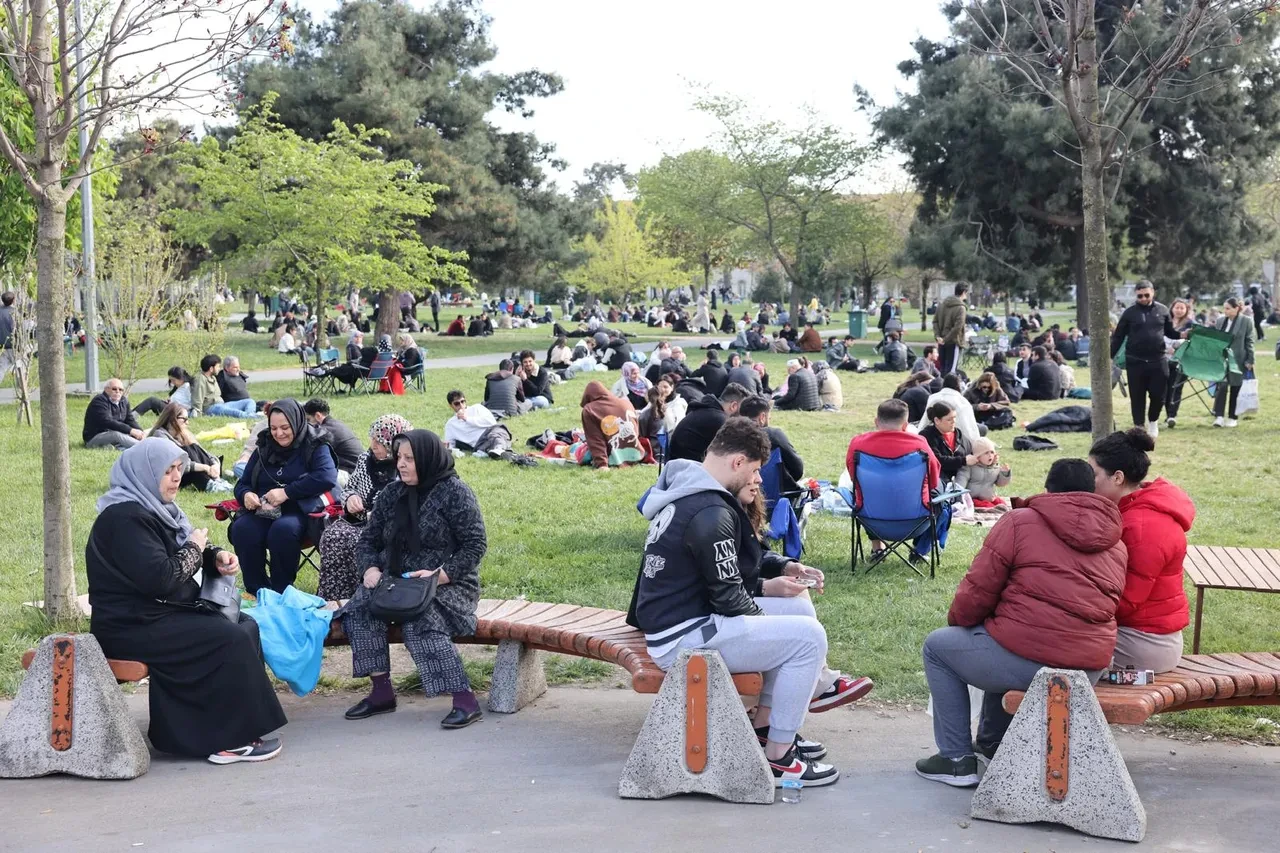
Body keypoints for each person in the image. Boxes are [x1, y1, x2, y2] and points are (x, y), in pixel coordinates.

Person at [628, 418, 852, 787]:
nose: (756, 479)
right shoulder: (710, 511)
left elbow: (728, 581)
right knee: (807, 637)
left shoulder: (687, 487)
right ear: (737, 462)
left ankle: (766, 726)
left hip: (681, 620)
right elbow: (730, 599)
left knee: (796, 610)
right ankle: (780, 759)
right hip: (681, 637)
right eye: (754, 469)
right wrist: (771, 614)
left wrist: (776, 584)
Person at [916, 458, 1126, 786]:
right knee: (997, 637)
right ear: (1091, 491)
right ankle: (993, 743)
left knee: (939, 648)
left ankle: (955, 759)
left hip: (1033, 659)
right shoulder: (1116, 540)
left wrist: (960, 624)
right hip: (1089, 667)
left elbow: (979, 587)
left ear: (1048, 488)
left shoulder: (1019, 522)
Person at [87, 439, 287, 764]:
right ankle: (226, 740)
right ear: (144, 474)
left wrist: (215, 556)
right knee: (228, 637)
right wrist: (195, 547)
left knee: (243, 625)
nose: (176, 477)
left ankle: (218, 730)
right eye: (167, 471)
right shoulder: (123, 519)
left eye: (179, 469)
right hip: (129, 625)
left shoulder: (154, 509)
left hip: (156, 614)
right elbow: (162, 576)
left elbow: (172, 551)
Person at [341, 430, 487, 728]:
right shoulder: (392, 495)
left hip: (447, 582)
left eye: (410, 458)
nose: (402, 465)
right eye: (399, 458)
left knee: (422, 618)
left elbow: (475, 544)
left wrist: (441, 575)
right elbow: (367, 540)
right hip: (395, 580)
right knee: (358, 609)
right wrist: (369, 570)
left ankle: (464, 699)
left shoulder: (454, 492)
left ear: (428, 459)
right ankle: (381, 692)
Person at [1089, 429, 1194, 673]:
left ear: (1117, 477)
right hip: (1142, 635)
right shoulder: (1134, 510)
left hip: (1145, 645)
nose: (1087, 481)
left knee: (1046, 647)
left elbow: (1127, 602)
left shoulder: (1143, 527)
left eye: (1093, 474)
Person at [231, 400, 340, 595]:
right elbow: (243, 483)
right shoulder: (265, 444)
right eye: (273, 428)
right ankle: (257, 590)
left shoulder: (315, 443)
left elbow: (326, 476)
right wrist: (246, 494)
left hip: (298, 509)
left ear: (297, 422)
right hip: (264, 510)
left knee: (283, 530)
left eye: (285, 427)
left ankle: (282, 592)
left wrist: (287, 492)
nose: (279, 433)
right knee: (242, 528)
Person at [317, 414, 412, 601]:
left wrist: (375, 516)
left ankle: (363, 596)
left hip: (387, 526)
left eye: (380, 441)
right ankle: (334, 598)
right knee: (332, 536)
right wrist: (350, 498)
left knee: (358, 542)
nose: (373, 444)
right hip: (357, 521)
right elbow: (349, 487)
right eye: (373, 438)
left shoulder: (405, 467)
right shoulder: (365, 460)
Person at [845, 399, 948, 565]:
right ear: (906, 424)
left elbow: (853, 478)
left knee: (868, 490)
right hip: (917, 519)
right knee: (943, 496)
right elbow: (934, 481)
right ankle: (920, 550)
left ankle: (877, 548)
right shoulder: (919, 445)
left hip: (870, 517)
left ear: (876, 422)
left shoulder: (858, 444)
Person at [1110, 280, 1181, 437]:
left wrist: (1182, 335)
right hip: (1135, 361)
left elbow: (1170, 332)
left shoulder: (1162, 310)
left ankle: (1153, 421)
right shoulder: (1129, 313)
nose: (1143, 299)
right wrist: (1110, 356)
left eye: (1146, 295)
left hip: (1158, 360)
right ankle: (1139, 427)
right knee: (1137, 396)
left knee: (1158, 395)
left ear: (1153, 293)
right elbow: (1118, 337)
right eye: (1140, 296)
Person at [149, 403, 232, 492]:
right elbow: (176, 462)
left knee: (194, 447)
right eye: (184, 419)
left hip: (185, 472)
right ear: (173, 419)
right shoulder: (160, 436)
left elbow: (204, 453)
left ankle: (215, 480)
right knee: (188, 450)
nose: (187, 423)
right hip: (170, 474)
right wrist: (204, 467)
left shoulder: (184, 434)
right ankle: (209, 484)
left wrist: (215, 465)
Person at [666, 383, 752, 463]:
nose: (743, 415)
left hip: (679, 466)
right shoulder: (719, 420)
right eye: (743, 410)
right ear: (733, 406)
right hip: (687, 471)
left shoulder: (707, 410)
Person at [739, 395, 804, 495]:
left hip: (740, 494)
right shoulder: (774, 436)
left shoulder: (732, 435)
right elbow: (797, 469)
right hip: (776, 495)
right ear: (762, 417)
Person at [1212, 297, 1256, 428]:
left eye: (1227, 308)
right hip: (1222, 359)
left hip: (1239, 359)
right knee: (1221, 387)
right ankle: (1219, 416)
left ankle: (1232, 417)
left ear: (1236, 308)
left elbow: (1249, 341)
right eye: (1224, 308)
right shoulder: (1220, 321)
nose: (1224, 311)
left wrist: (1250, 359)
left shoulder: (1246, 321)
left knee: (1236, 388)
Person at [579, 381, 644, 468]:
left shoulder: (590, 409)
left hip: (611, 455)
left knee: (577, 450)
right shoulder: (625, 402)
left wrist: (602, 464)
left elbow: (595, 439)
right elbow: (636, 428)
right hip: (636, 453)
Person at [304, 398, 363, 484]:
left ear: (318, 416)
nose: (307, 424)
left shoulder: (325, 431)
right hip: (356, 471)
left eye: (308, 420)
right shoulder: (335, 424)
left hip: (351, 475)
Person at [915, 374, 982, 443]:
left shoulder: (932, 397)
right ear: (958, 385)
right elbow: (969, 427)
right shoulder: (961, 401)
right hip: (955, 439)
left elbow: (924, 422)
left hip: (933, 435)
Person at [919, 401, 974, 484]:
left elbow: (970, 452)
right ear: (937, 420)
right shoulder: (926, 436)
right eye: (949, 419)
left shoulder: (958, 434)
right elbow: (937, 461)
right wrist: (963, 461)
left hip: (961, 478)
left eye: (955, 417)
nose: (954, 421)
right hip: (939, 481)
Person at [83, 379, 147, 449]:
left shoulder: (124, 401)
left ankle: (111, 446)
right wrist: (130, 430)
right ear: (106, 389)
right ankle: (143, 447)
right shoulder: (99, 401)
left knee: (148, 431)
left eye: (121, 390)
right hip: (94, 437)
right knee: (116, 434)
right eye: (114, 389)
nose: (117, 391)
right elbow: (108, 422)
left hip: (115, 433)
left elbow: (130, 420)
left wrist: (140, 432)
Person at [190, 354, 259, 419]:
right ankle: (254, 416)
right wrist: (198, 413)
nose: (219, 368)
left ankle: (250, 415)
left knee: (250, 401)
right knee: (235, 413)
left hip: (222, 405)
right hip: (210, 408)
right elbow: (197, 398)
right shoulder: (200, 379)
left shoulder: (213, 378)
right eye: (218, 366)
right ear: (211, 368)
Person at [1163, 299, 1196, 427]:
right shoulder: (1166, 322)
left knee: (1176, 388)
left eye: (1182, 308)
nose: (1179, 310)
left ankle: (1172, 415)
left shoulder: (1190, 324)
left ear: (1186, 310)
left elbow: (1190, 342)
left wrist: (1177, 349)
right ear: (1172, 308)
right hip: (1163, 359)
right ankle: (1167, 414)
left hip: (1180, 361)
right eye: (1177, 307)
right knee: (1164, 388)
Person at [953, 436, 1011, 509]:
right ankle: (992, 508)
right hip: (973, 498)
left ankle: (996, 507)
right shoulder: (970, 467)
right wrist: (959, 495)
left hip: (989, 497)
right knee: (986, 505)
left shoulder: (994, 467)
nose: (990, 455)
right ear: (978, 456)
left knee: (1002, 503)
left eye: (992, 452)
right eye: (986, 453)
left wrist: (1004, 473)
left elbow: (1000, 483)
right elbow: (961, 481)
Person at [933, 282, 968, 375]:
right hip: (953, 341)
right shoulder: (961, 308)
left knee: (942, 368)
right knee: (951, 371)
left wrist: (938, 336)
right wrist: (945, 339)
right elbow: (958, 327)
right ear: (964, 292)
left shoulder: (941, 305)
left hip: (941, 341)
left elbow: (935, 322)